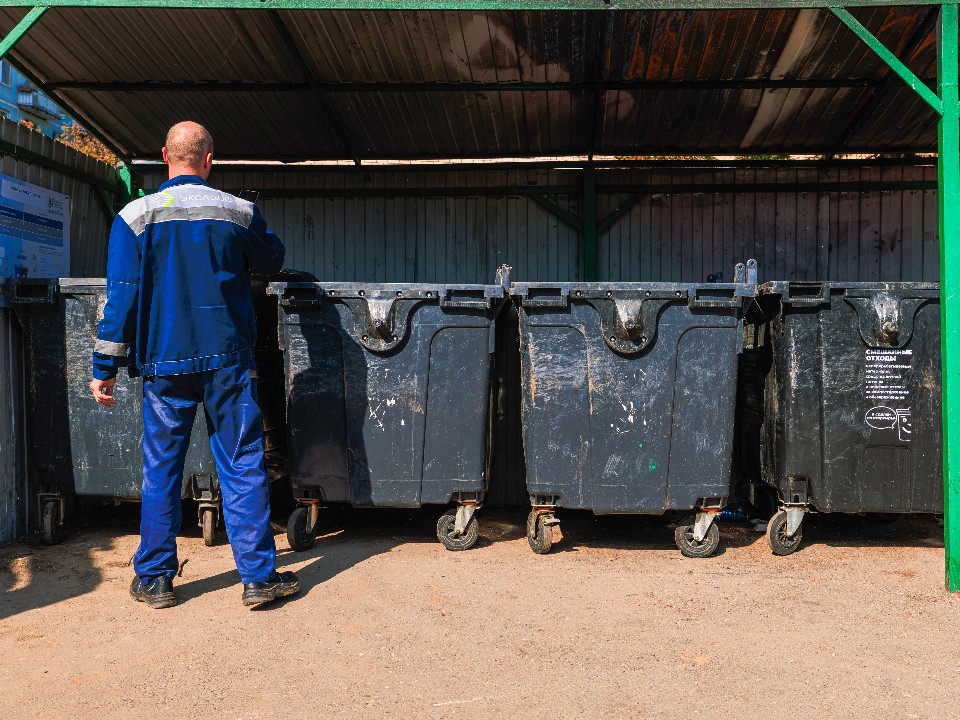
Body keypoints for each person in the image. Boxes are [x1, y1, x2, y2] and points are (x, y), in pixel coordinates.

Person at [89, 121, 299, 609]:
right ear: (209, 159)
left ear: (165, 155)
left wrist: (104, 367)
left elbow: (119, 301)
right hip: (227, 360)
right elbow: (272, 261)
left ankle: (157, 579)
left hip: (164, 365)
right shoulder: (238, 212)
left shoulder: (134, 217)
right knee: (243, 461)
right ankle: (258, 579)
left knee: (161, 467)